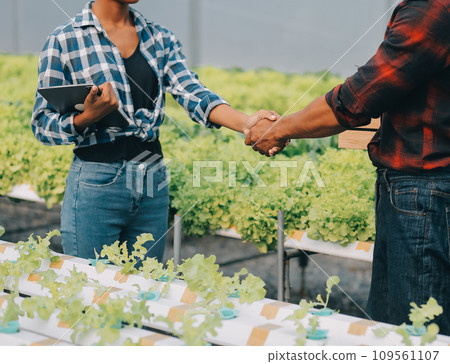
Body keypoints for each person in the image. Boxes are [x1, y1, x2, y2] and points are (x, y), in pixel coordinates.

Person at [246, 0, 449, 335]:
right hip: (420, 190)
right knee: (392, 326)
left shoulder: (432, 9)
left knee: (417, 332)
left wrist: (278, 129)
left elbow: (357, 99)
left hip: (424, 193)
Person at [31, 0, 277, 262]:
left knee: (145, 291)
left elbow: (192, 92)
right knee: (93, 290)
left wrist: (246, 123)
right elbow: (42, 123)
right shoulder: (65, 40)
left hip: (151, 180)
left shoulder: (159, 36)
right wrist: (85, 119)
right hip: (97, 183)